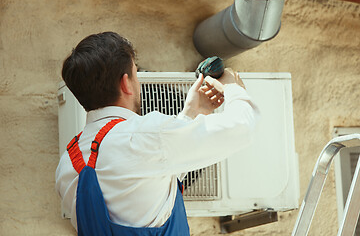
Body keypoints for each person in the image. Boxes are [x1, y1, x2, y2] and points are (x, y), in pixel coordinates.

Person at [55, 31, 259, 236]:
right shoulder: (144, 135)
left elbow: (148, 181)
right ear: (126, 83)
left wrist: (192, 113)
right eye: (136, 73)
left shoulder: (67, 164)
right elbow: (242, 128)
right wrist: (233, 87)